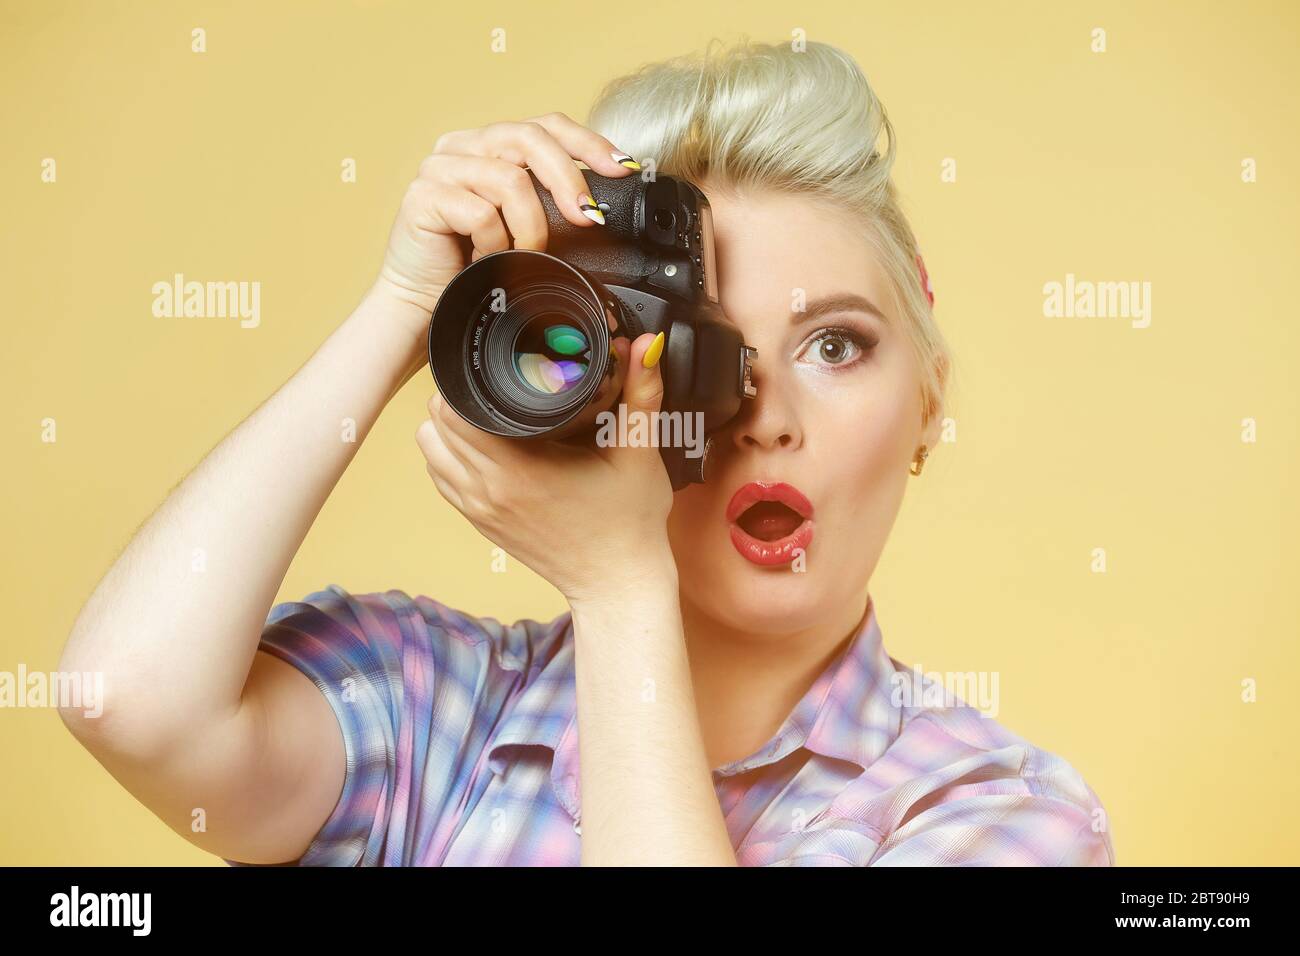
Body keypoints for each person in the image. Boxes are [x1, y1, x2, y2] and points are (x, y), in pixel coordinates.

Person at [57, 38, 1114, 866]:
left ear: (929, 394)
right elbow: (130, 699)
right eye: (706, 353)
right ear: (601, 382)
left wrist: (620, 587)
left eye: (835, 344)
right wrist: (408, 304)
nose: (766, 415)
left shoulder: (998, 810)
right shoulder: (448, 710)